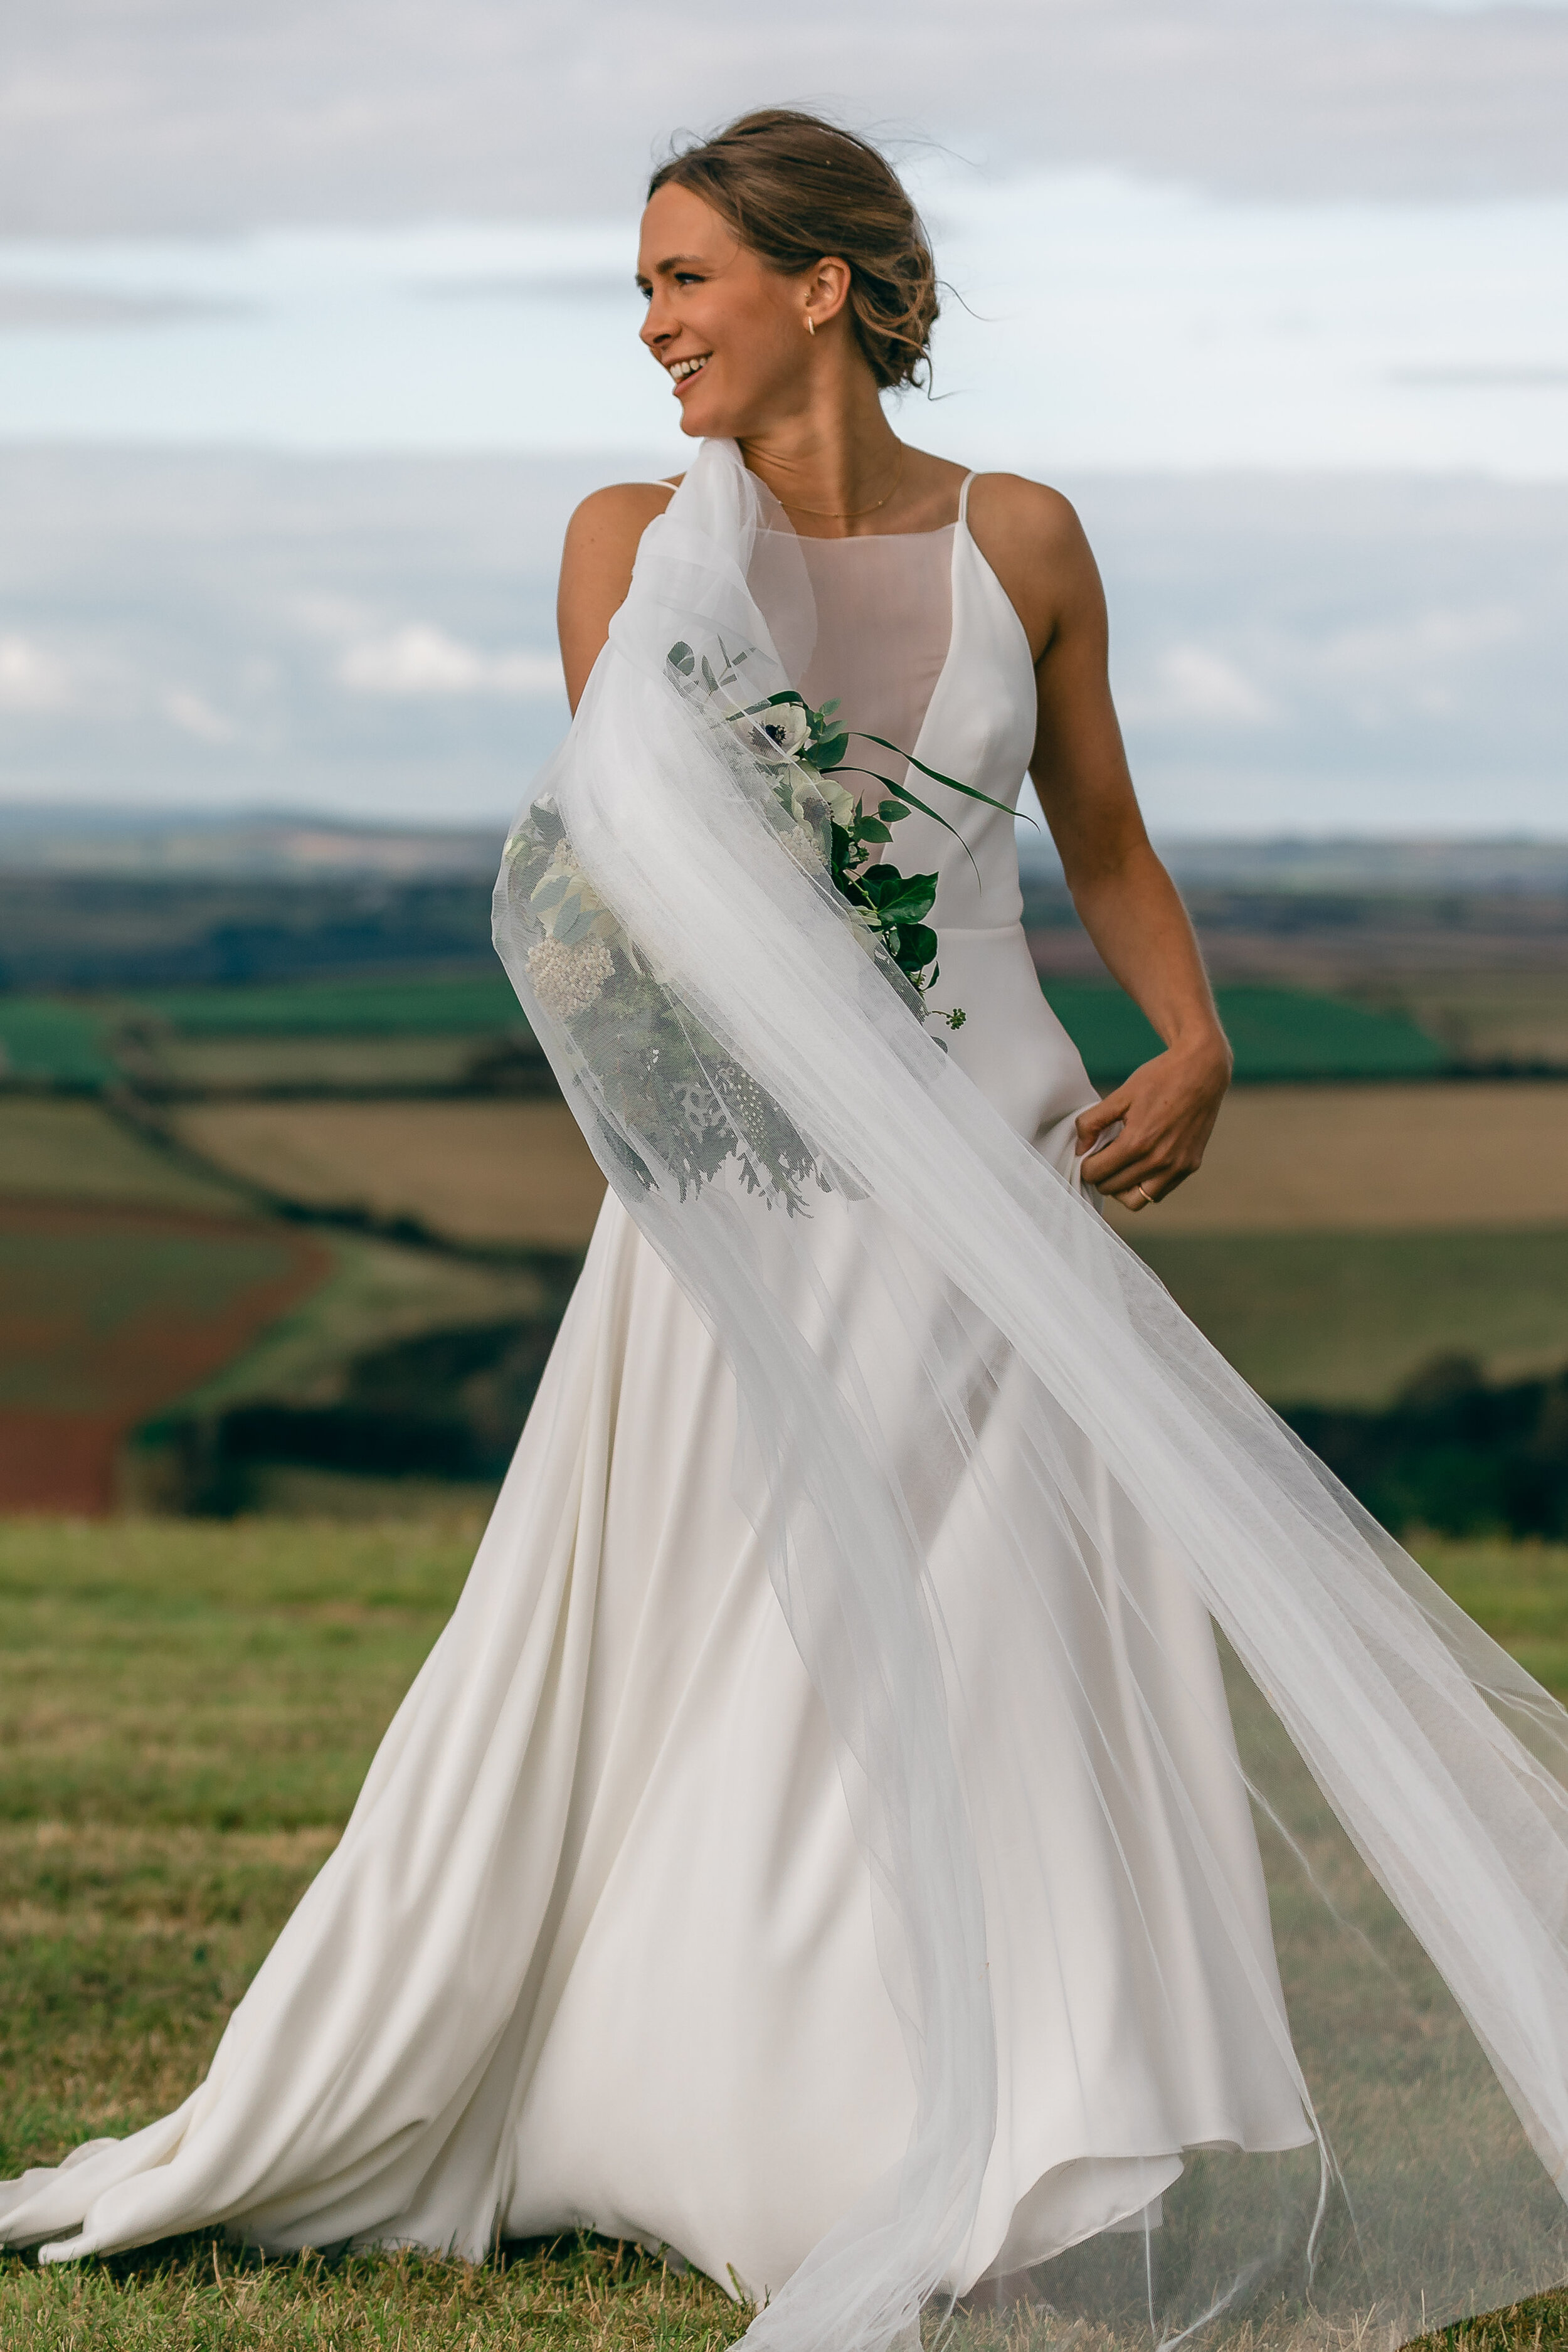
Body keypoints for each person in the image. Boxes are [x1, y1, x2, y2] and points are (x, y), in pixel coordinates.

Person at [5, 109, 1568, 2352]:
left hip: (1006, 1173)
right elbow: (636, 900)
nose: (649, 326)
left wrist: (1198, 1036)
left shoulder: (1022, 535)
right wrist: (742, 1140)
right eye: (638, 291)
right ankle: (783, 2130)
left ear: (820, 285)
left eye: (681, 280)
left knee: (1017, 1646)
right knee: (756, 1643)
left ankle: (1026, 2128)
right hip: (758, 1194)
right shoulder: (630, 548)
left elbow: (1100, 833)